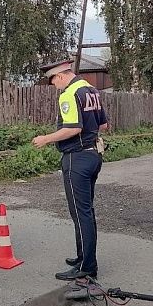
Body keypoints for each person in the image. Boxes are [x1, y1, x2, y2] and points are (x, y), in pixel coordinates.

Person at [32, 59, 109, 282]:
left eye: (53, 80)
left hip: (77, 157)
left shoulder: (68, 94)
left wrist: (46, 139)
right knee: (85, 210)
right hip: (94, 154)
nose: (54, 85)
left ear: (61, 75)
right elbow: (103, 125)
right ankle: (83, 256)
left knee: (80, 212)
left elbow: (74, 128)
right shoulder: (91, 90)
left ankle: (87, 266)